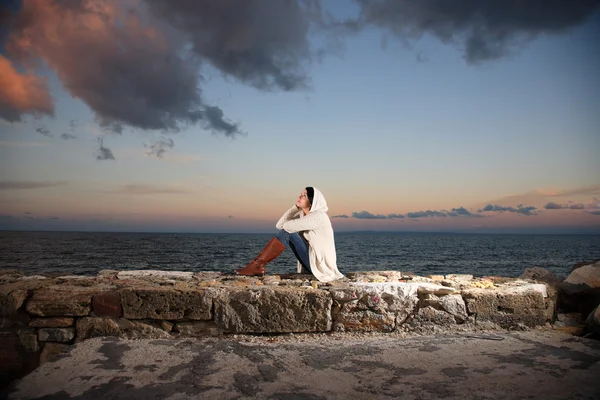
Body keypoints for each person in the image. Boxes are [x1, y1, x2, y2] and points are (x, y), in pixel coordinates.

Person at [235, 187, 344, 282]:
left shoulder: (318, 216)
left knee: (289, 233)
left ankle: (257, 265)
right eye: (300, 194)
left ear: (312, 201)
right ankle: (256, 265)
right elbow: (280, 225)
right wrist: (295, 208)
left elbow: (286, 229)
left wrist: (295, 211)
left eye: (304, 196)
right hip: (312, 262)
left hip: (321, 267)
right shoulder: (303, 215)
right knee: (287, 232)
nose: (300, 197)